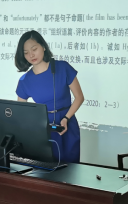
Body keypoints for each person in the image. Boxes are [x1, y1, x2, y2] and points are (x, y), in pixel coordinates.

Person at [15, 31, 84, 163]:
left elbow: (79, 97)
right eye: (26, 52)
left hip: (67, 125)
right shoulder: (25, 80)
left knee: (71, 170)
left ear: (43, 46)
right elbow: (20, 114)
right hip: (43, 130)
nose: (31, 55)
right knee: (46, 170)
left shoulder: (62, 67)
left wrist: (66, 118)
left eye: (34, 49)